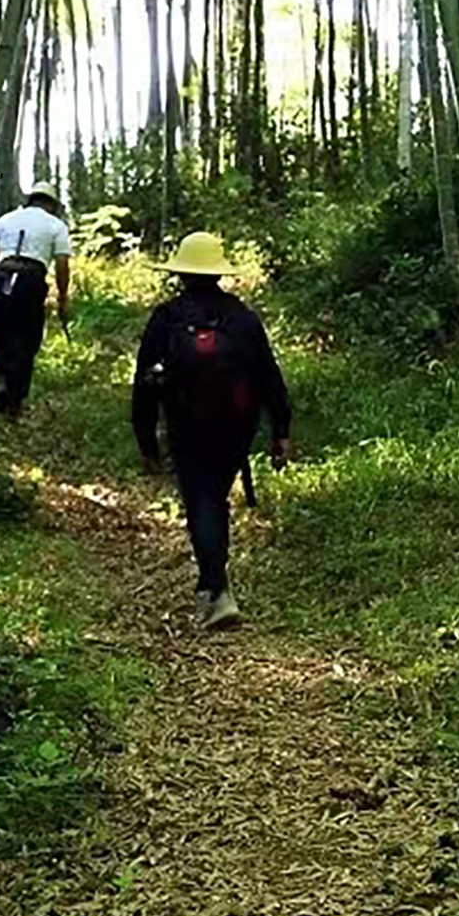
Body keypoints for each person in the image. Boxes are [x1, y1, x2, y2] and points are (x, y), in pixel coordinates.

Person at [132, 232, 294, 630]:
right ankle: (214, 587)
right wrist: (281, 431)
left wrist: (146, 440)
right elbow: (268, 376)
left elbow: (143, 382)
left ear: (182, 273)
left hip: (186, 424)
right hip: (237, 426)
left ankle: (216, 588)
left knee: (201, 501)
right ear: (218, 271)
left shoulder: (167, 317)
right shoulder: (241, 317)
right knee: (215, 498)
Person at [0, 184, 72, 419]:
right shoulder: (55, 225)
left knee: (3, 335)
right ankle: (15, 400)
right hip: (31, 280)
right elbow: (62, 264)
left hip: (3, 277)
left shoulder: (5, 219)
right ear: (51, 204)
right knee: (27, 340)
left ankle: (2, 381)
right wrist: (63, 297)